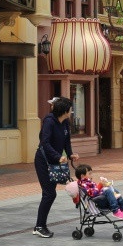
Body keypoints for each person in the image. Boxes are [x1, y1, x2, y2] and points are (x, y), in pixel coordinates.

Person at [33, 97, 78, 238]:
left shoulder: (65, 123)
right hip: (43, 161)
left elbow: (66, 141)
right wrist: (57, 156)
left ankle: (40, 225)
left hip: (55, 161)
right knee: (49, 194)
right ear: (64, 110)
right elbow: (44, 143)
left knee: (50, 193)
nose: (71, 111)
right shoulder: (49, 121)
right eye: (70, 109)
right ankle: (39, 226)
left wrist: (70, 154)